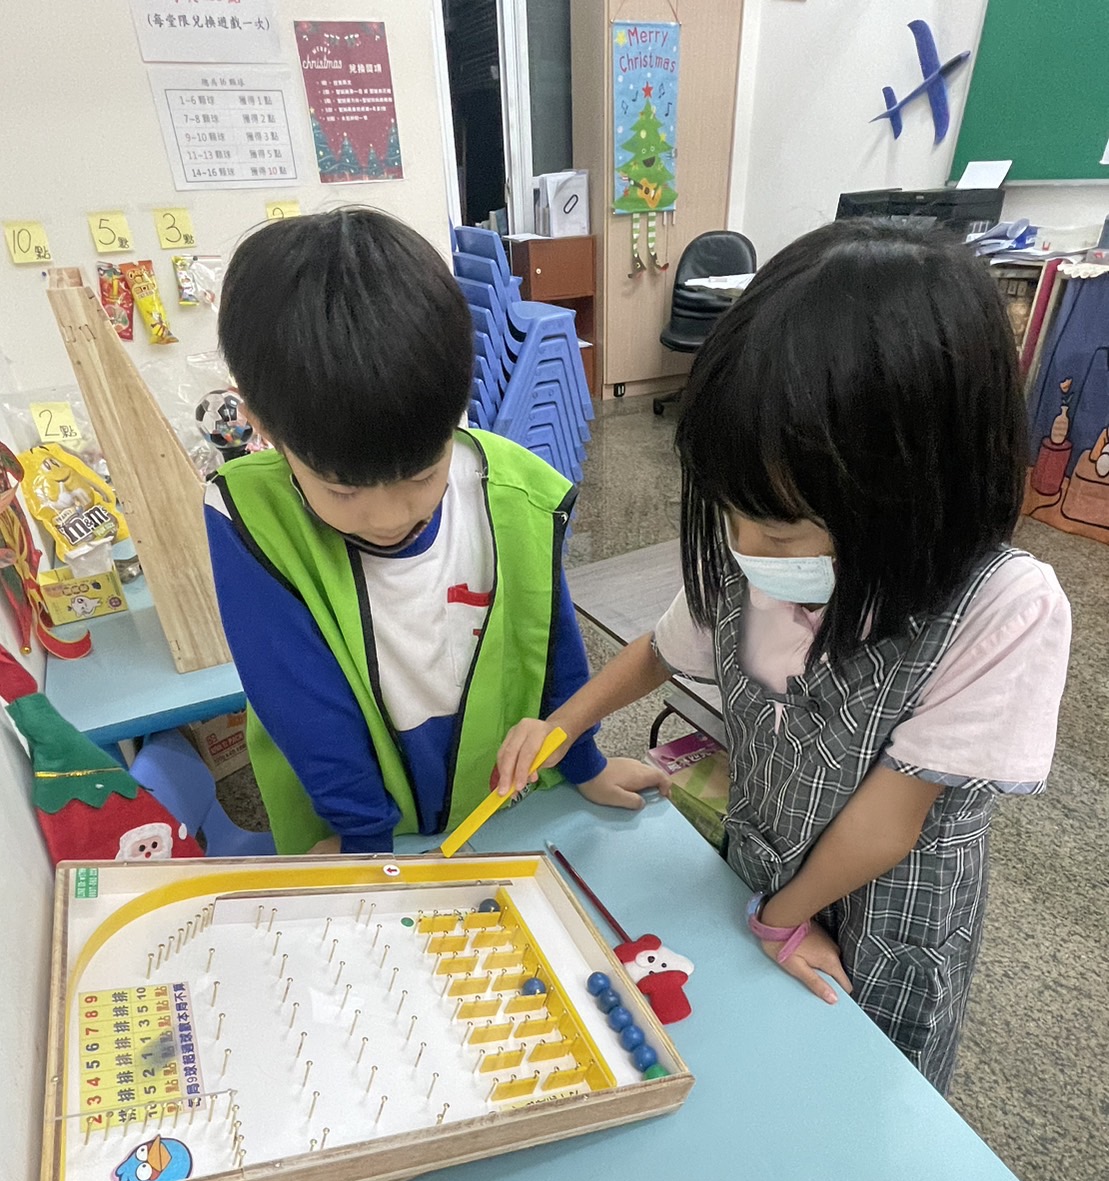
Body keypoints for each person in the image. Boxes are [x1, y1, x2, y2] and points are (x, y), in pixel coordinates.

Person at [496, 218, 1071, 1093]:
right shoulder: (760, 563)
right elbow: (660, 651)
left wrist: (783, 918)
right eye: (730, 513)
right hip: (758, 874)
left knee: (862, 1093)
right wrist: (561, 725)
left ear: (915, 487)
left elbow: (889, 821)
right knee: (749, 1068)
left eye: (777, 527)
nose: (743, 546)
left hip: (881, 920)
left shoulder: (1000, 609)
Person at [204, 207, 663, 856]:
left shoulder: (513, 493)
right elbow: (301, 703)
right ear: (263, 427)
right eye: (343, 490)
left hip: (495, 807)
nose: (390, 517)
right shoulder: (250, 517)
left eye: (422, 476)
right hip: (348, 822)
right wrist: (363, 840)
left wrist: (584, 760)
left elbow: (549, 641)